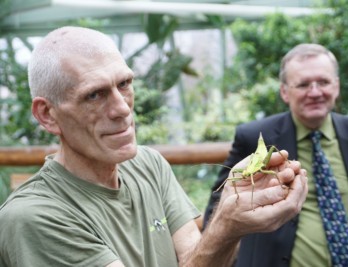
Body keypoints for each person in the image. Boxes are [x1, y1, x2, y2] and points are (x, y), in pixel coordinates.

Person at [0, 26, 308, 267]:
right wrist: (225, 226)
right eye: (94, 95)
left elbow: (195, 261)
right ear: (47, 114)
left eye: (124, 84)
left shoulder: (148, 164)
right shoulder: (34, 217)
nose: (122, 108)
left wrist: (232, 217)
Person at [204, 43, 348, 267]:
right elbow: (219, 208)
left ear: (336, 86)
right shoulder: (254, 137)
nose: (315, 92)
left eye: (323, 82)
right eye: (303, 84)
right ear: (284, 92)